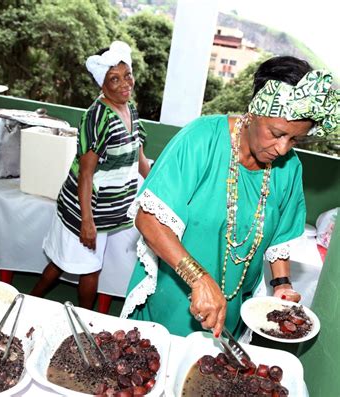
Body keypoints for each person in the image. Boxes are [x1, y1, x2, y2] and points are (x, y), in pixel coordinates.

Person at [121, 56, 339, 338]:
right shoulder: (202, 139)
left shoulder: (289, 169)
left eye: (295, 140)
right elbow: (149, 220)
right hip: (171, 301)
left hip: (234, 311)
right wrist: (198, 279)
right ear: (254, 111)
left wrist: (282, 285)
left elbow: (279, 240)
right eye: (276, 133)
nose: (283, 149)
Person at [30, 41, 151, 309]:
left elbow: (139, 156)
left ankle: (30, 300)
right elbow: (86, 173)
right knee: (88, 268)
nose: (124, 84)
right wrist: (87, 221)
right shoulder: (97, 116)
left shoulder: (129, 109)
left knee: (64, 262)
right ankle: (82, 318)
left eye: (127, 75)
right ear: (102, 85)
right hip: (86, 209)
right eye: (114, 80)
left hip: (109, 210)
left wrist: (159, 190)